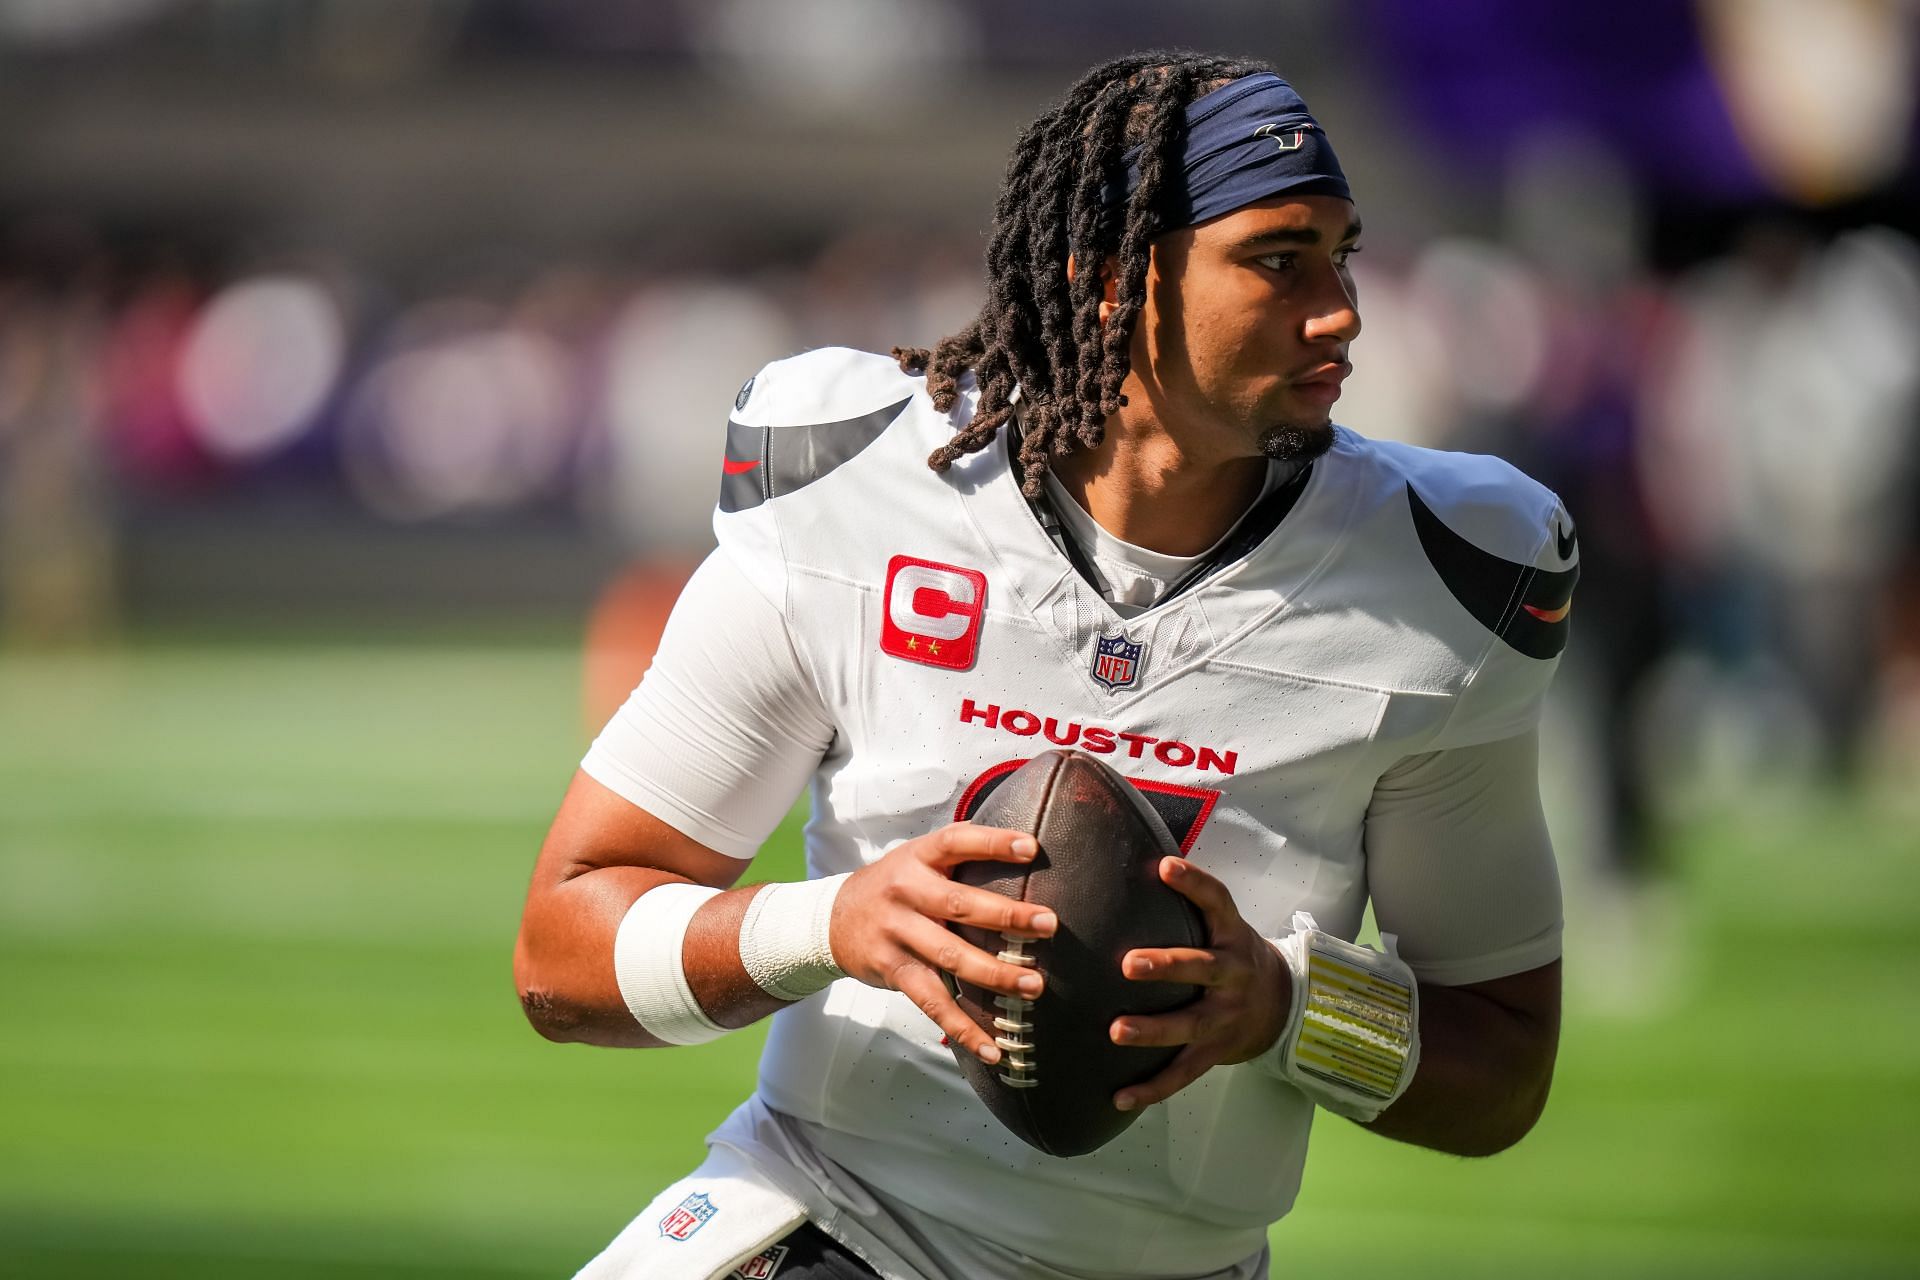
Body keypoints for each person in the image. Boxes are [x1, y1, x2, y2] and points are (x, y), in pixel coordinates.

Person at [515, 50, 1574, 1280]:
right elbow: (560, 954)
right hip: (834, 1224)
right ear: (1111, 277)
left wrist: (1284, 1007)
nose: (1340, 307)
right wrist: (836, 924)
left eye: (1342, 253)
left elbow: (1501, 1065)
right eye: (1280, 258)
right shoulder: (859, 487)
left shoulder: (1442, 576)